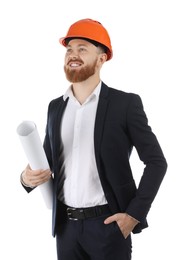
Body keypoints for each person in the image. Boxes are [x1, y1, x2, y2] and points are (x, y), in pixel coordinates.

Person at [20, 18, 167, 260]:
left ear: (101, 58)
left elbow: (156, 162)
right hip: (66, 229)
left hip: (108, 225)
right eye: (69, 49)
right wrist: (26, 178)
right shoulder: (55, 107)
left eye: (82, 49)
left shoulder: (125, 104)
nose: (72, 55)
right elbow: (45, 163)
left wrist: (133, 215)